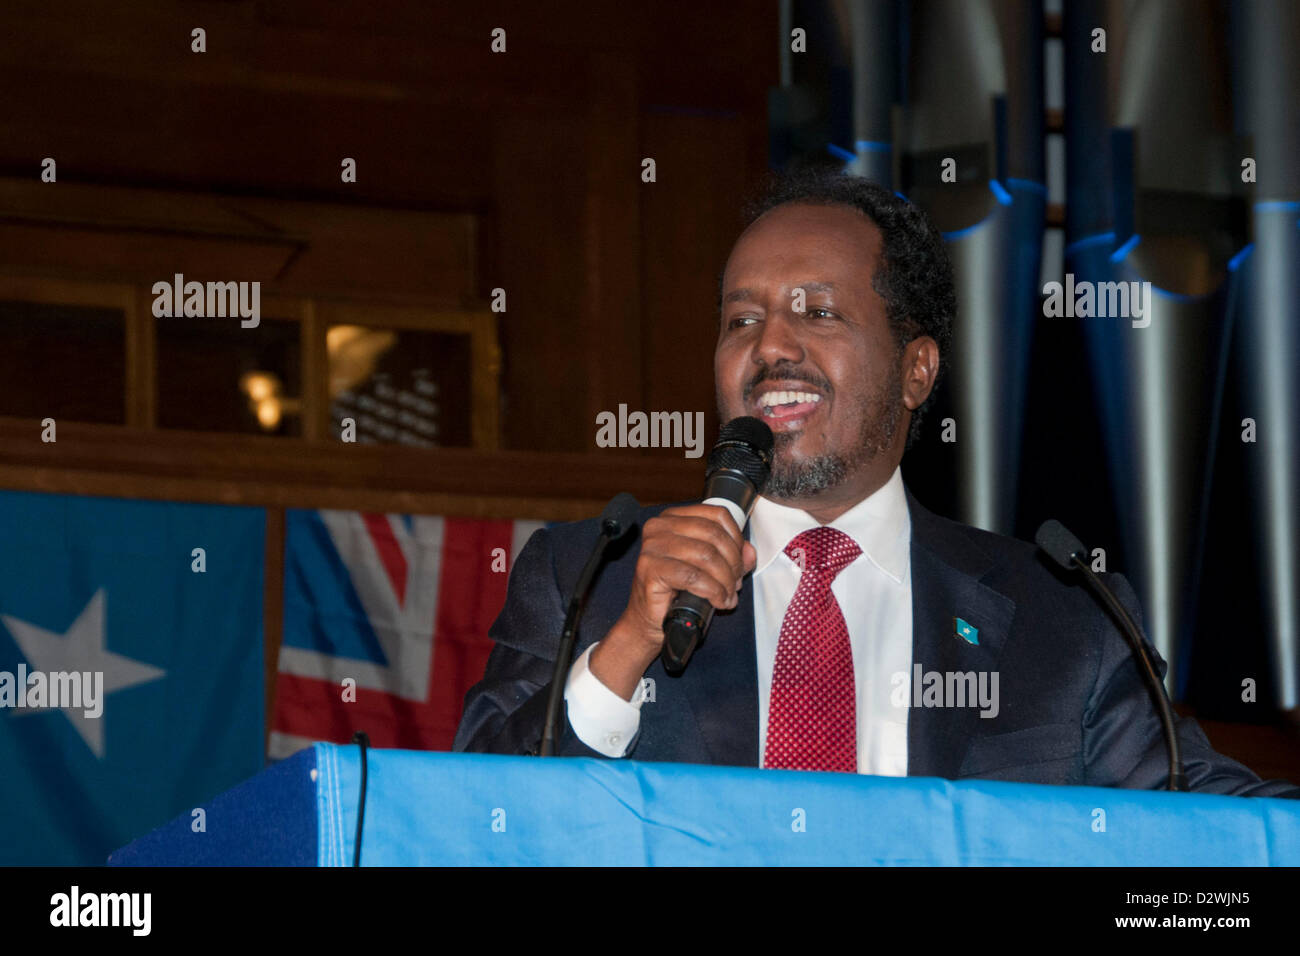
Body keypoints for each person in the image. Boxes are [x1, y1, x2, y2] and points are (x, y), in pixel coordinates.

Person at [454, 168, 1298, 797]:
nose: (770, 347)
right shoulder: (590, 578)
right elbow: (468, 820)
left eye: (817, 312)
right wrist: (624, 652)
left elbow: (1216, 827)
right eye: (741, 319)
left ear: (916, 369)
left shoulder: (1064, 622)